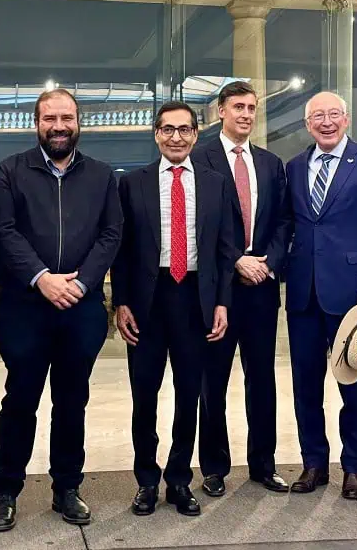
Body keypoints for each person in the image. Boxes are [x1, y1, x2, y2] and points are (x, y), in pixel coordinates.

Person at [0, 88, 123, 531]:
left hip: (80, 307)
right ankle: (5, 489)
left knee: (72, 400)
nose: (59, 126)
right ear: (37, 123)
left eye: (66, 117)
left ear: (78, 122)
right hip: (24, 306)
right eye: (50, 118)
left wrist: (82, 283)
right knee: (20, 399)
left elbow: (111, 234)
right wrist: (42, 277)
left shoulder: (102, 176)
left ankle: (67, 488)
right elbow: (3, 232)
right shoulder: (10, 171)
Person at [111, 101, 233, 516]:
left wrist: (221, 302)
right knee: (144, 395)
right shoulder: (133, 184)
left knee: (189, 394)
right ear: (156, 134)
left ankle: (179, 479)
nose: (176, 137)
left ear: (197, 134)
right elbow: (122, 251)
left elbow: (224, 249)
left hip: (195, 297)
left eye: (184, 129)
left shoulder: (217, 183)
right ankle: (146, 480)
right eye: (167, 130)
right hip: (148, 299)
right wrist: (121, 301)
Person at [284, 91, 357, 500]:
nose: (325, 122)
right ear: (307, 124)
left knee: (353, 381)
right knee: (305, 385)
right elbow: (289, 225)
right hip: (303, 294)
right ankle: (314, 462)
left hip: (352, 293)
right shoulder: (295, 167)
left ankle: (353, 467)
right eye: (317, 116)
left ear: (346, 119)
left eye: (333, 115)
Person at [190, 81, 291, 496]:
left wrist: (269, 261)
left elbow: (285, 221)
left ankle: (263, 464)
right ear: (221, 112)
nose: (246, 114)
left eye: (251, 107)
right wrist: (236, 258)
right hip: (219, 287)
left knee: (261, 377)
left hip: (262, 286)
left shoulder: (270, 163)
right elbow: (200, 224)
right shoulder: (200, 158)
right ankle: (214, 467)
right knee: (212, 380)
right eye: (238, 107)